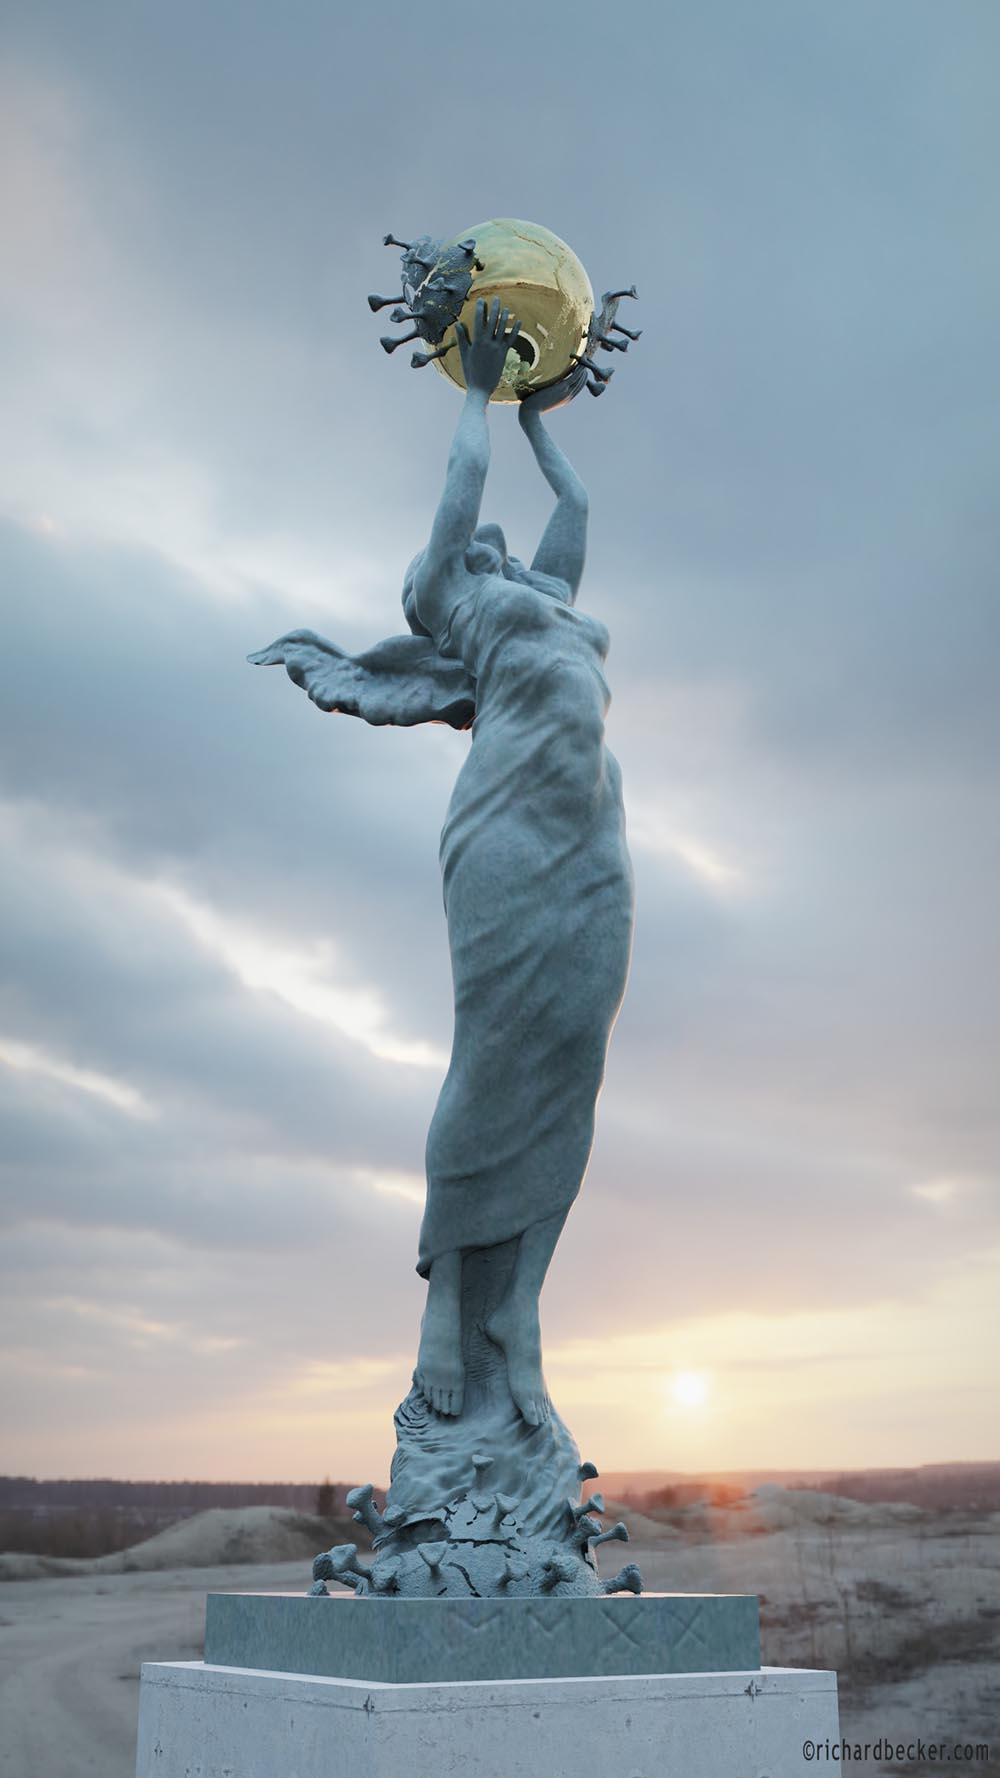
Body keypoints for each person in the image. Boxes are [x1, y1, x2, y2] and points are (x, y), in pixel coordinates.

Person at [406, 297, 634, 1428]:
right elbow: (456, 501)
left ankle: (522, 1306)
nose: (498, 538)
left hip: (592, 835)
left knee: (571, 1064)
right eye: (481, 540)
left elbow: (580, 501)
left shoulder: (550, 597)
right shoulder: (452, 594)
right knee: (492, 1055)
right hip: (500, 828)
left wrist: (541, 411)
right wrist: (471, 388)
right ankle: (449, 1301)